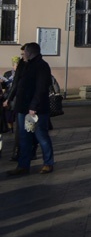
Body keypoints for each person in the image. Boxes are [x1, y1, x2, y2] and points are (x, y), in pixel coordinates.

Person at [7, 43, 54, 176]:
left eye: (24, 53)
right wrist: (10, 99)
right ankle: (23, 165)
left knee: (41, 136)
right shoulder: (24, 65)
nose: (23, 55)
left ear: (30, 52)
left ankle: (48, 163)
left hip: (36, 110)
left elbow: (41, 89)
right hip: (23, 108)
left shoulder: (41, 66)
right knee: (24, 137)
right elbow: (17, 83)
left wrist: (33, 106)